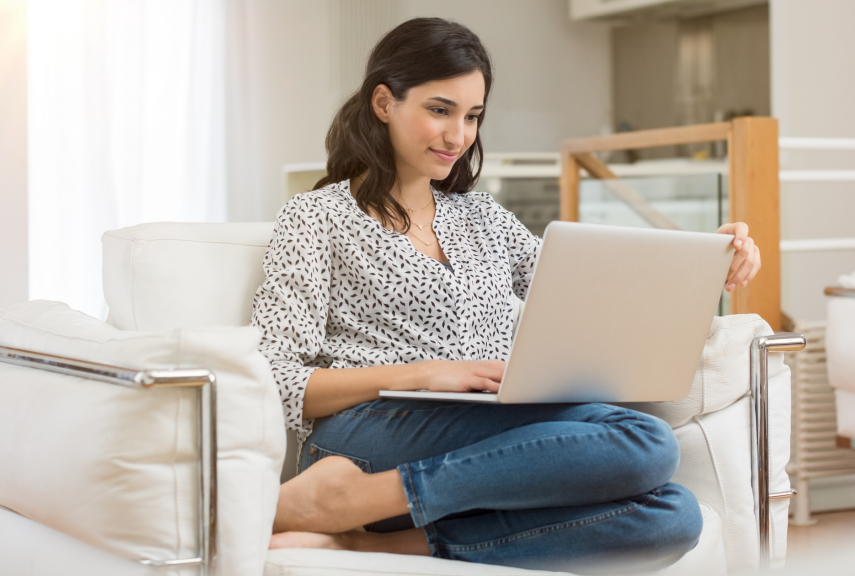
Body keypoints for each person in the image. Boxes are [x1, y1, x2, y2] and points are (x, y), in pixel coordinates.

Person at [251, 17, 761, 572]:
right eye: (439, 110)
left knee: (673, 516)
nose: (458, 136)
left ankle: (368, 537)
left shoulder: (482, 216)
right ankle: (352, 493)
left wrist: (709, 258)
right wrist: (419, 374)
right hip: (368, 434)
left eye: (472, 116)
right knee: (647, 442)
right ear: (383, 102)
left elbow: (594, 288)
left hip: (491, 427)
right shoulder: (315, 217)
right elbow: (278, 379)